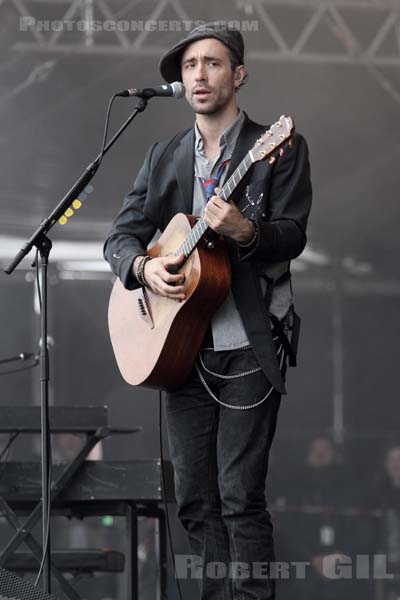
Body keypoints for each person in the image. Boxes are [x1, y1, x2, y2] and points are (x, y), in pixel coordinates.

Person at [104, 21, 312, 600]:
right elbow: (121, 235)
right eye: (190, 65)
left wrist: (246, 231)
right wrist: (143, 269)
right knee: (195, 500)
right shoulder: (164, 155)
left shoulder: (276, 146)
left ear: (237, 74)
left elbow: (293, 234)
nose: (198, 74)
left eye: (212, 63)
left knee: (239, 496)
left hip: (248, 341)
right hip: (181, 349)